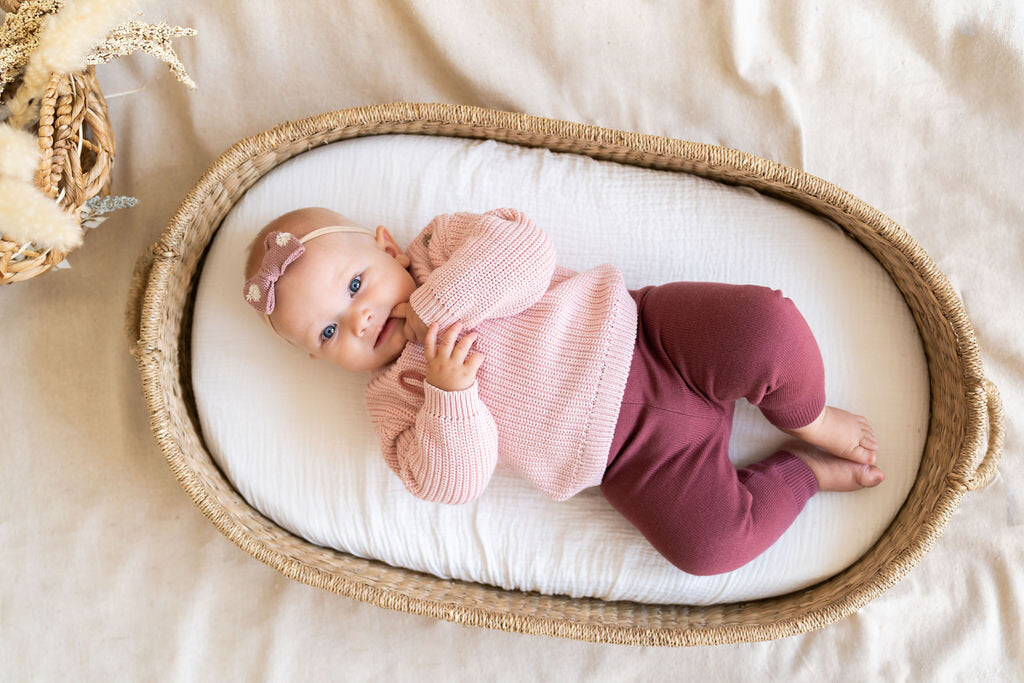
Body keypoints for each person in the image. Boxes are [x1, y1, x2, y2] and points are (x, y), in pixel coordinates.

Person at [242, 205, 883, 576]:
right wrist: (449, 396)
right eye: (330, 332)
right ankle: (801, 476)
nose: (358, 321)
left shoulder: (441, 248)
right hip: (633, 462)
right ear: (320, 359)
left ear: (387, 246)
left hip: (647, 335)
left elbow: (527, 251)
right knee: (708, 548)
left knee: (766, 327)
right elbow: (452, 482)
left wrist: (437, 307)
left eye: (356, 286)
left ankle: (808, 416)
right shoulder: (395, 399)